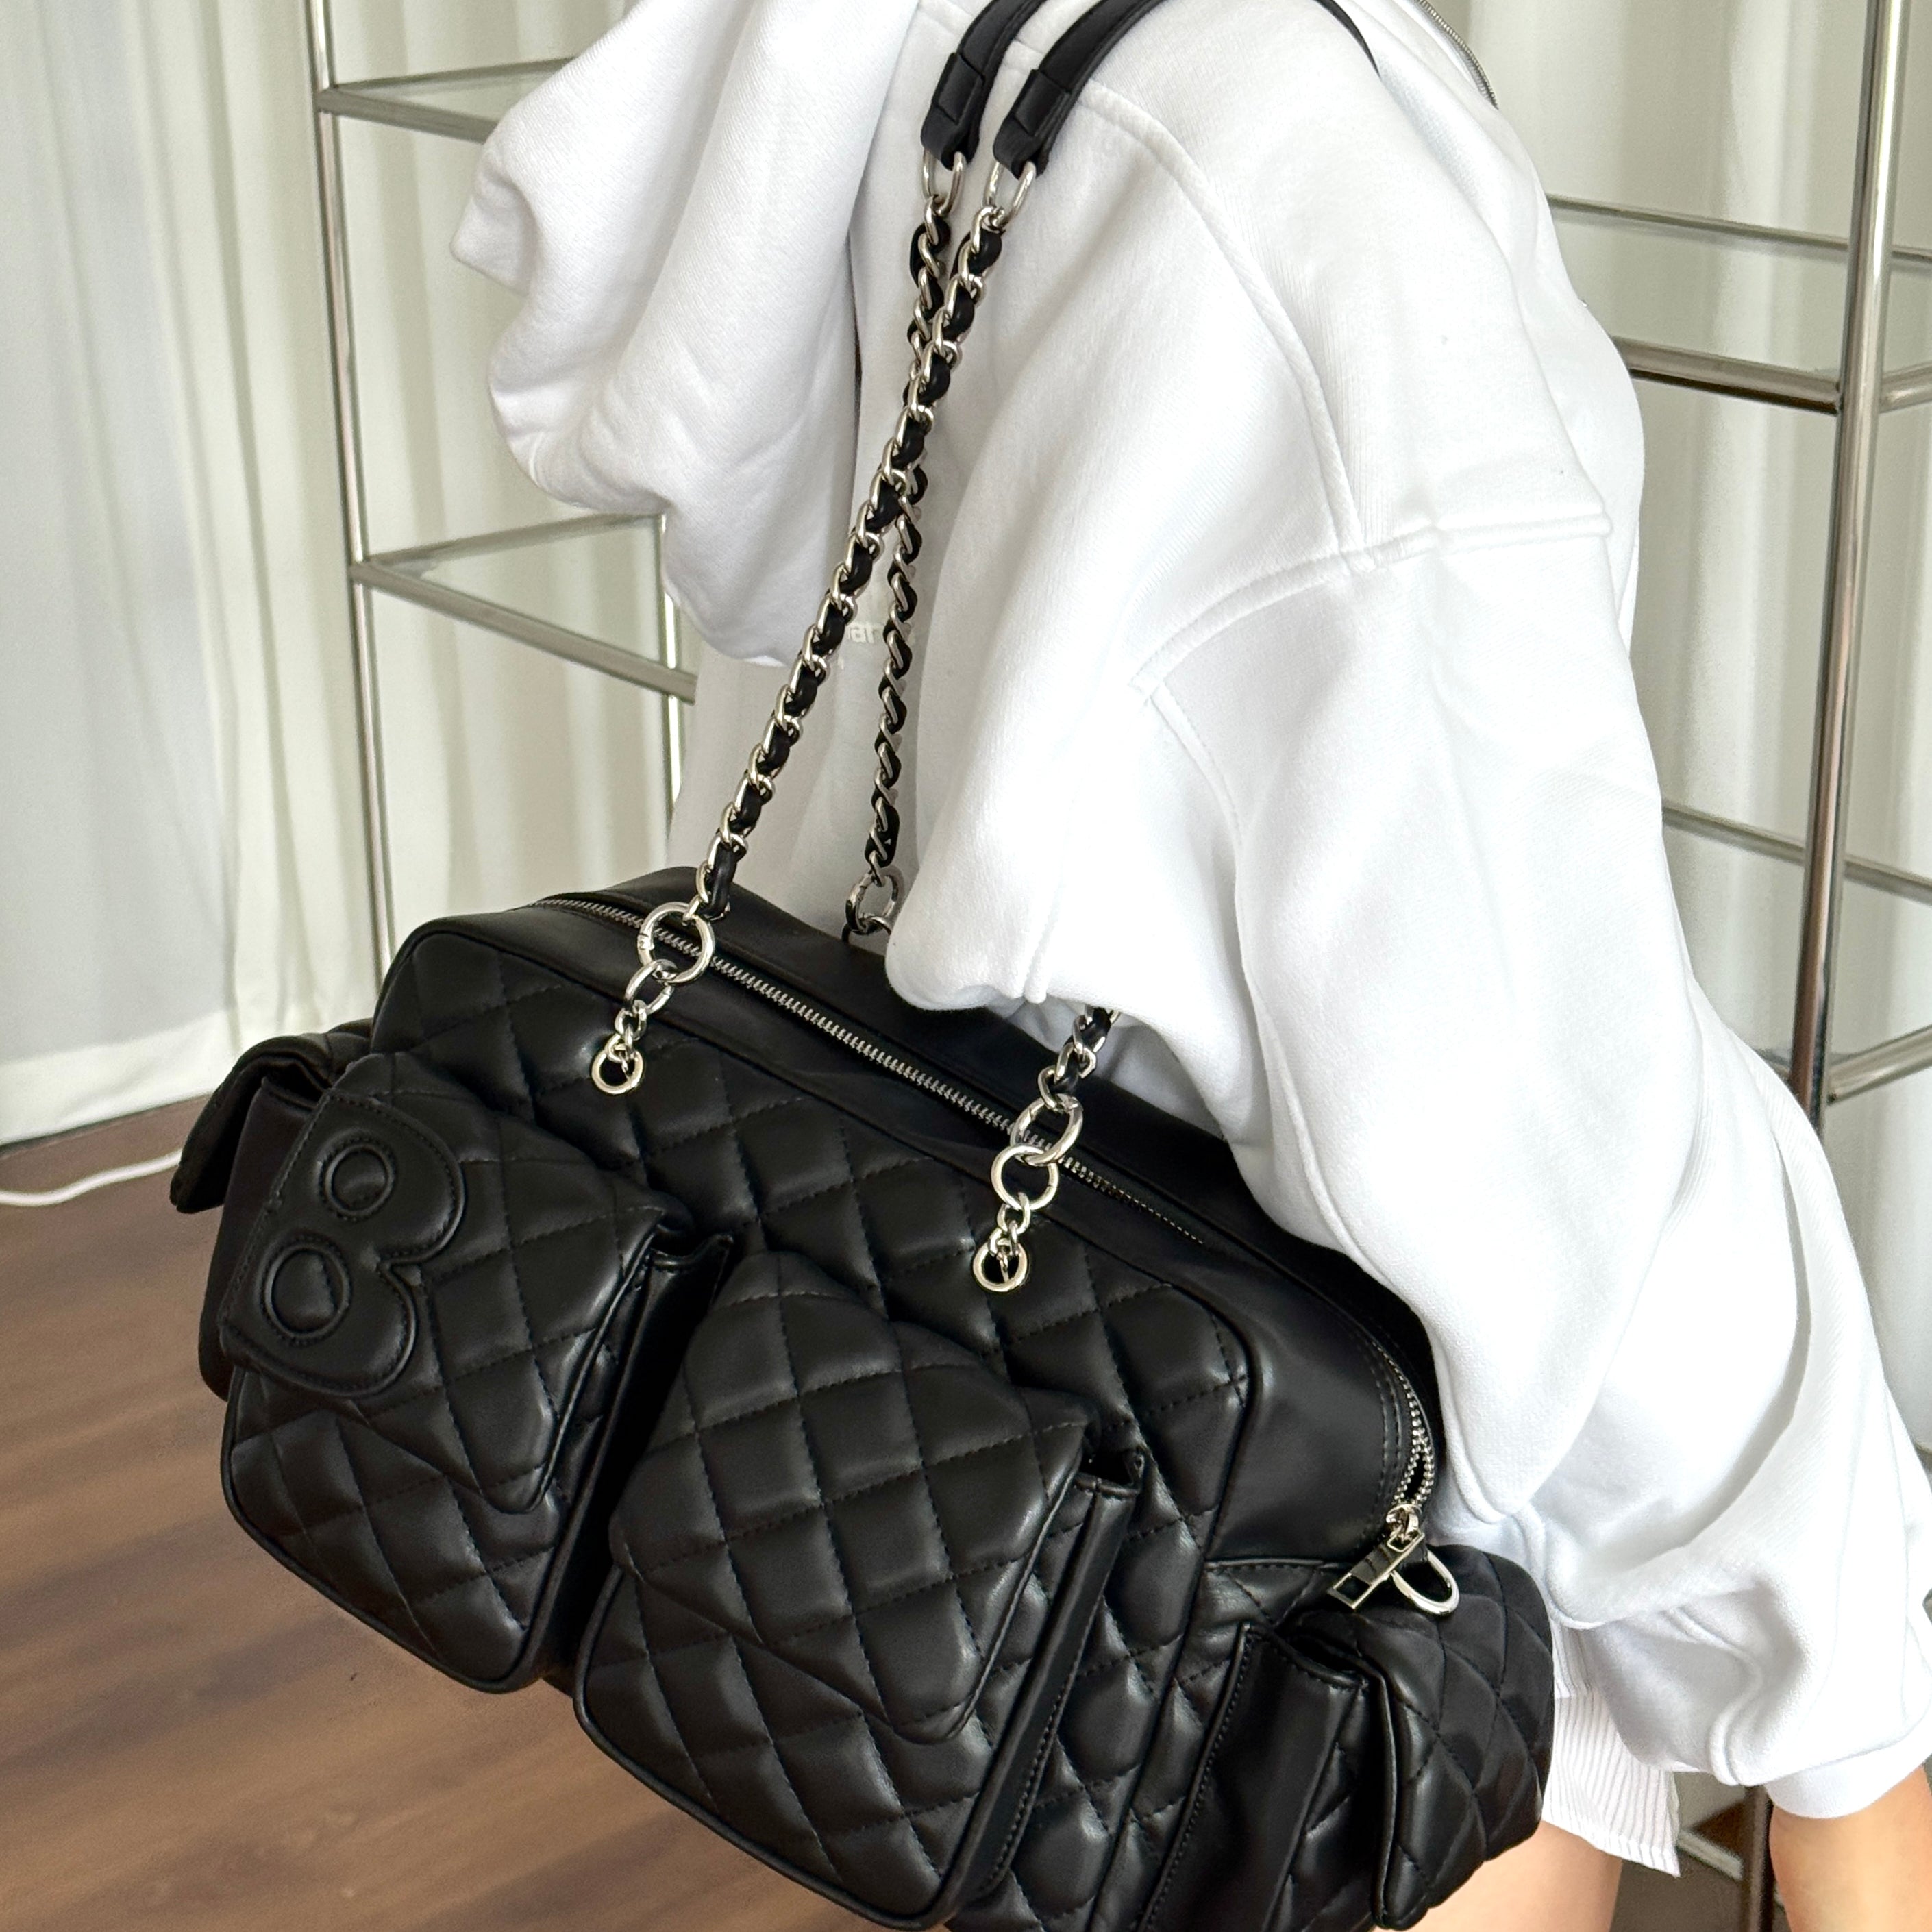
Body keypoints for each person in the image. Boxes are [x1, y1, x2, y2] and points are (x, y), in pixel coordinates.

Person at [454, 1, 1932, 1924]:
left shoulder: (937, 42)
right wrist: (1832, 1657)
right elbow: (1520, 1122)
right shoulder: (1302, 185)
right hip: (1272, 1574)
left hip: (931, 1394)